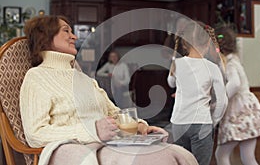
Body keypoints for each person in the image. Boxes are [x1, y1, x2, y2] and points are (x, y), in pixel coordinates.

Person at [20, 15, 198, 165]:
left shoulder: (82, 78)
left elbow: (113, 113)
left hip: (109, 142)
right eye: (66, 31)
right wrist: (92, 130)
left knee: (178, 153)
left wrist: (140, 127)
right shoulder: (36, 77)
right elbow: (35, 133)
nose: (74, 36)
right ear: (45, 36)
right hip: (74, 148)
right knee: (158, 159)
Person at [167, 20, 228, 165]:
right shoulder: (212, 68)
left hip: (178, 123)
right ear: (208, 44)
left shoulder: (177, 64)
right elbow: (222, 101)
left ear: (184, 44)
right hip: (201, 122)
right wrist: (214, 121)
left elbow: (171, 83)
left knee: (182, 162)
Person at [214, 26, 260, 165]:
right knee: (248, 157)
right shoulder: (234, 60)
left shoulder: (230, 63)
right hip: (249, 110)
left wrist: (220, 98)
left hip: (238, 112)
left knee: (221, 154)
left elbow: (235, 84)